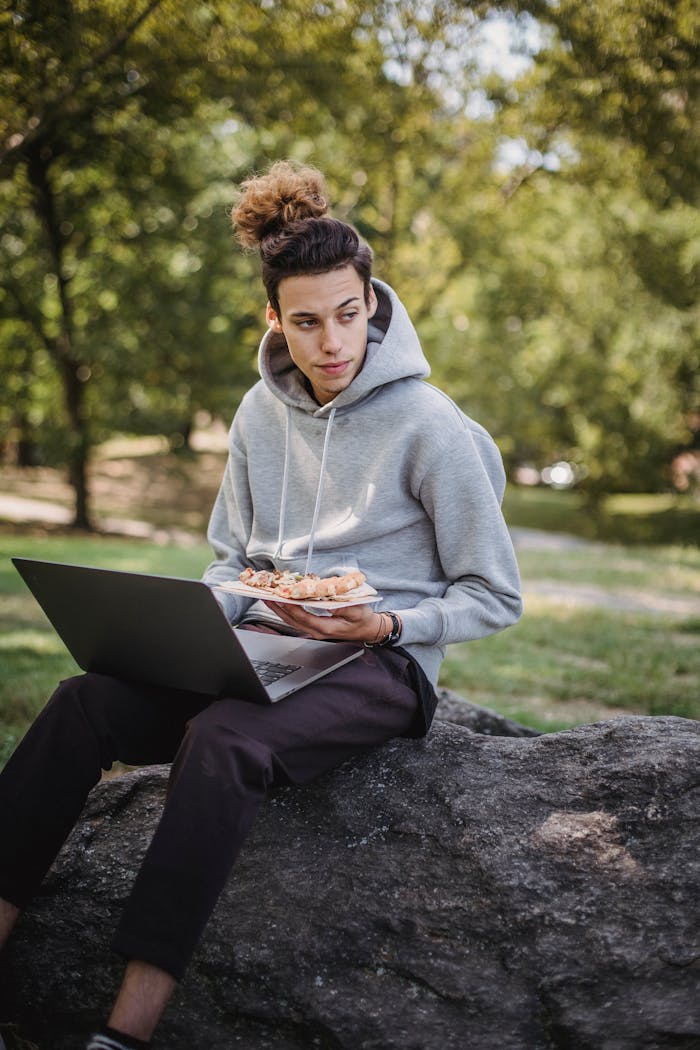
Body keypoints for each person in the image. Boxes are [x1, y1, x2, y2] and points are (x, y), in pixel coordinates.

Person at [0, 160, 522, 1049]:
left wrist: (391, 624)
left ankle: (124, 1031)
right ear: (275, 319)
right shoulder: (256, 412)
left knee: (222, 739)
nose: (332, 343)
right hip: (263, 646)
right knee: (81, 702)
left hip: (383, 662)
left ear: (374, 304)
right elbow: (229, 556)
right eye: (308, 322)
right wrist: (220, 613)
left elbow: (494, 594)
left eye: (349, 316)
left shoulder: (430, 425)